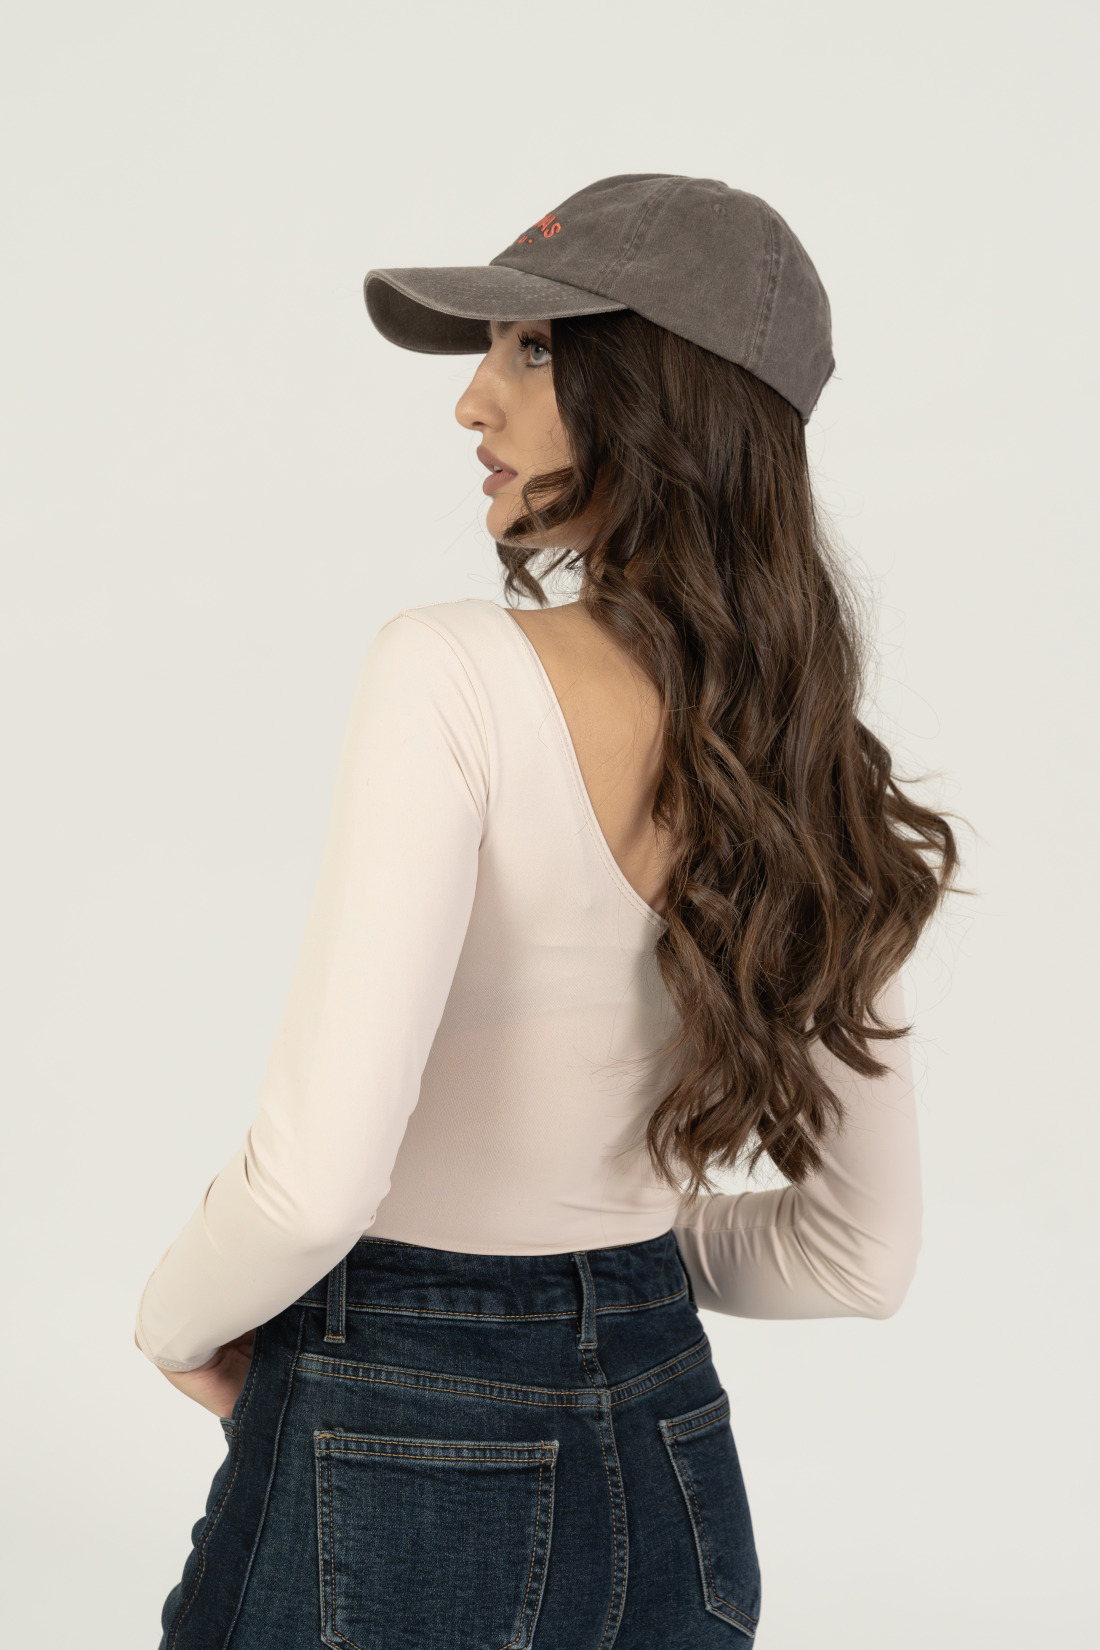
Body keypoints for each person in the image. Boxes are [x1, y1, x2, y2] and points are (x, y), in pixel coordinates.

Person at [135, 174, 957, 1648]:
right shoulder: (808, 763)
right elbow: (863, 1253)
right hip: (672, 1460)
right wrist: (610, 1250)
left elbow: (314, 1187)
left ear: (663, 395)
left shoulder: (452, 672)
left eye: (531, 350)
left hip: (397, 1430)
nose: (473, 402)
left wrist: (175, 1317)